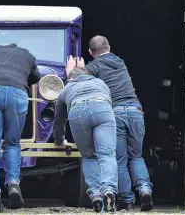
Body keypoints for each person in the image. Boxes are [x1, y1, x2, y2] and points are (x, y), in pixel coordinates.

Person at [82, 35, 153, 211]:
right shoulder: (120, 62)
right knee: (136, 155)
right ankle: (144, 190)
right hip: (136, 110)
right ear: (109, 47)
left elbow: (80, 81)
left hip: (116, 113)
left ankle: (128, 201)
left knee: (119, 160)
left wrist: (78, 68)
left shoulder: (94, 66)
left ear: (91, 52)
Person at [0, 43, 41, 211]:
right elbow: (36, 77)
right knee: (12, 143)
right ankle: (13, 184)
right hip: (17, 92)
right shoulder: (27, 54)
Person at [53, 56, 118, 213]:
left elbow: (59, 119)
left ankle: (95, 193)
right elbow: (109, 102)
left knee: (89, 156)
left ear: (71, 78)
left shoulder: (66, 90)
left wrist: (59, 140)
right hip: (101, 107)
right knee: (106, 154)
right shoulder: (100, 83)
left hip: (78, 111)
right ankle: (108, 189)